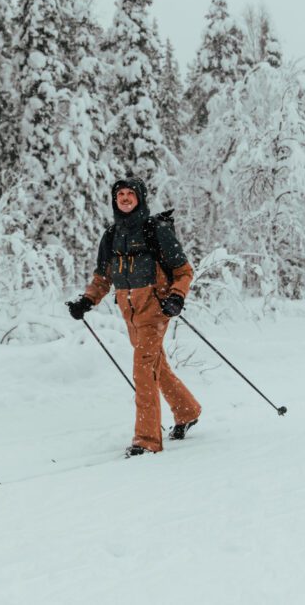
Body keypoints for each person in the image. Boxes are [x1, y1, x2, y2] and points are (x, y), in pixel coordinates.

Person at [67, 177, 202, 457]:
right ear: (115, 200)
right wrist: (87, 300)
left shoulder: (156, 230)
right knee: (155, 365)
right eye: (121, 194)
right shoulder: (111, 235)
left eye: (131, 194)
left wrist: (176, 297)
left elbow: (184, 271)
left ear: (140, 198)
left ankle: (147, 439)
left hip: (156, 308)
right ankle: (187, 411)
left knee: (143, 369)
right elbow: (103, 277)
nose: (125, 198)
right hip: (129, 312)